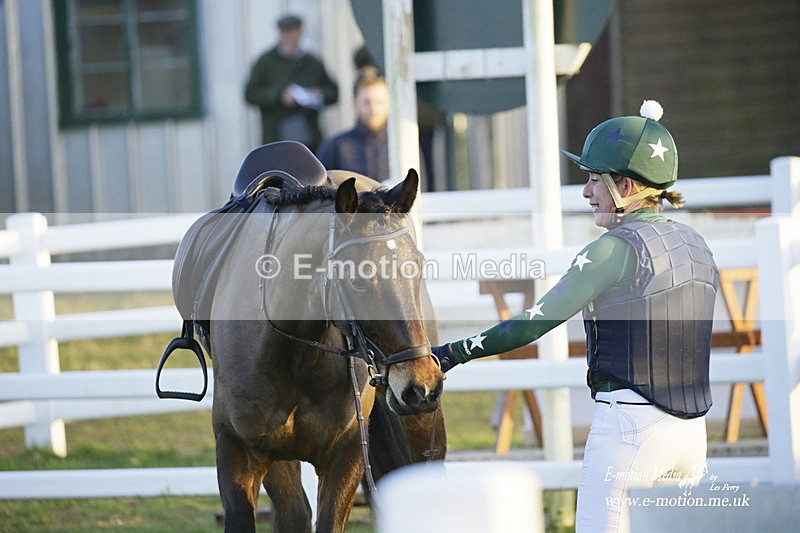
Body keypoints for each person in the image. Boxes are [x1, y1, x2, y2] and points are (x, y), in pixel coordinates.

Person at [432, 100, 718, 532]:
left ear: (625, 186)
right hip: (693, 434)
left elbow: (535, 322)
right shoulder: (696, 242)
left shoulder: (612, 249)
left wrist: (454, 352)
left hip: (630, 430)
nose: (586, 192)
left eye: (593, 179)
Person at [244, 14, 338, 153]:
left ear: (300, 32)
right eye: (286, 32)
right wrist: (279, 96)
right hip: (276, 138)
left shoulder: (312, 62)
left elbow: (333, 92)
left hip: (309, 138)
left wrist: (318, 94)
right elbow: (251, 94)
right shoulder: (266, 62)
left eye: (293, 31)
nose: (290, 36)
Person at [317, 66, 390, 181]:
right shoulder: (335, 148)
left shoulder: (406, 146)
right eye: (367, 102)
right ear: (354, 103)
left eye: (379, 102)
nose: (373, 110)